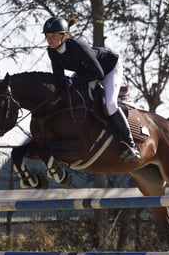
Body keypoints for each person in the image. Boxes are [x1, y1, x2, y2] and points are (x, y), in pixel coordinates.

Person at [43, 15, 141, 162]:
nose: (49, 39)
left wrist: (73, 81)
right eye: (47, 36)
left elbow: (98, 73)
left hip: (108, 68)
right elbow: (58, 75)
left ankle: (131, 145)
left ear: (64, 36)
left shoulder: (77, 47)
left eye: (53, 36)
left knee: (110, 105)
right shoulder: (52, 51)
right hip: (87, 71)